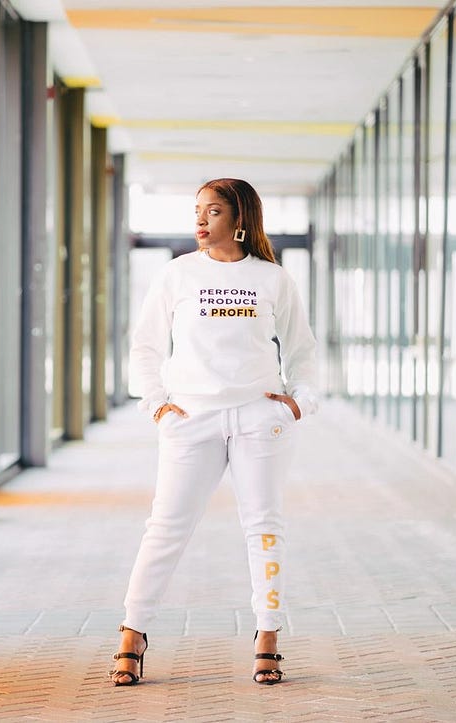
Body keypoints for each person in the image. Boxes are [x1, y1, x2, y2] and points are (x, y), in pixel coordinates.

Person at [110, 178, 319, 687]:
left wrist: (296, 405)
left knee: (264, 528)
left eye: (214, 211)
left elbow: (303, 352)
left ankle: (268, 636)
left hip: (259, 419)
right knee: (165, 528)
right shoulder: (177, 275)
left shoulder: (272, 279)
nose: (201, 221)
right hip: (190, 419)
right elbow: (145, 347)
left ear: (240, 219)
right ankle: (131, 633)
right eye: (197, 211)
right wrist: (156, 405)